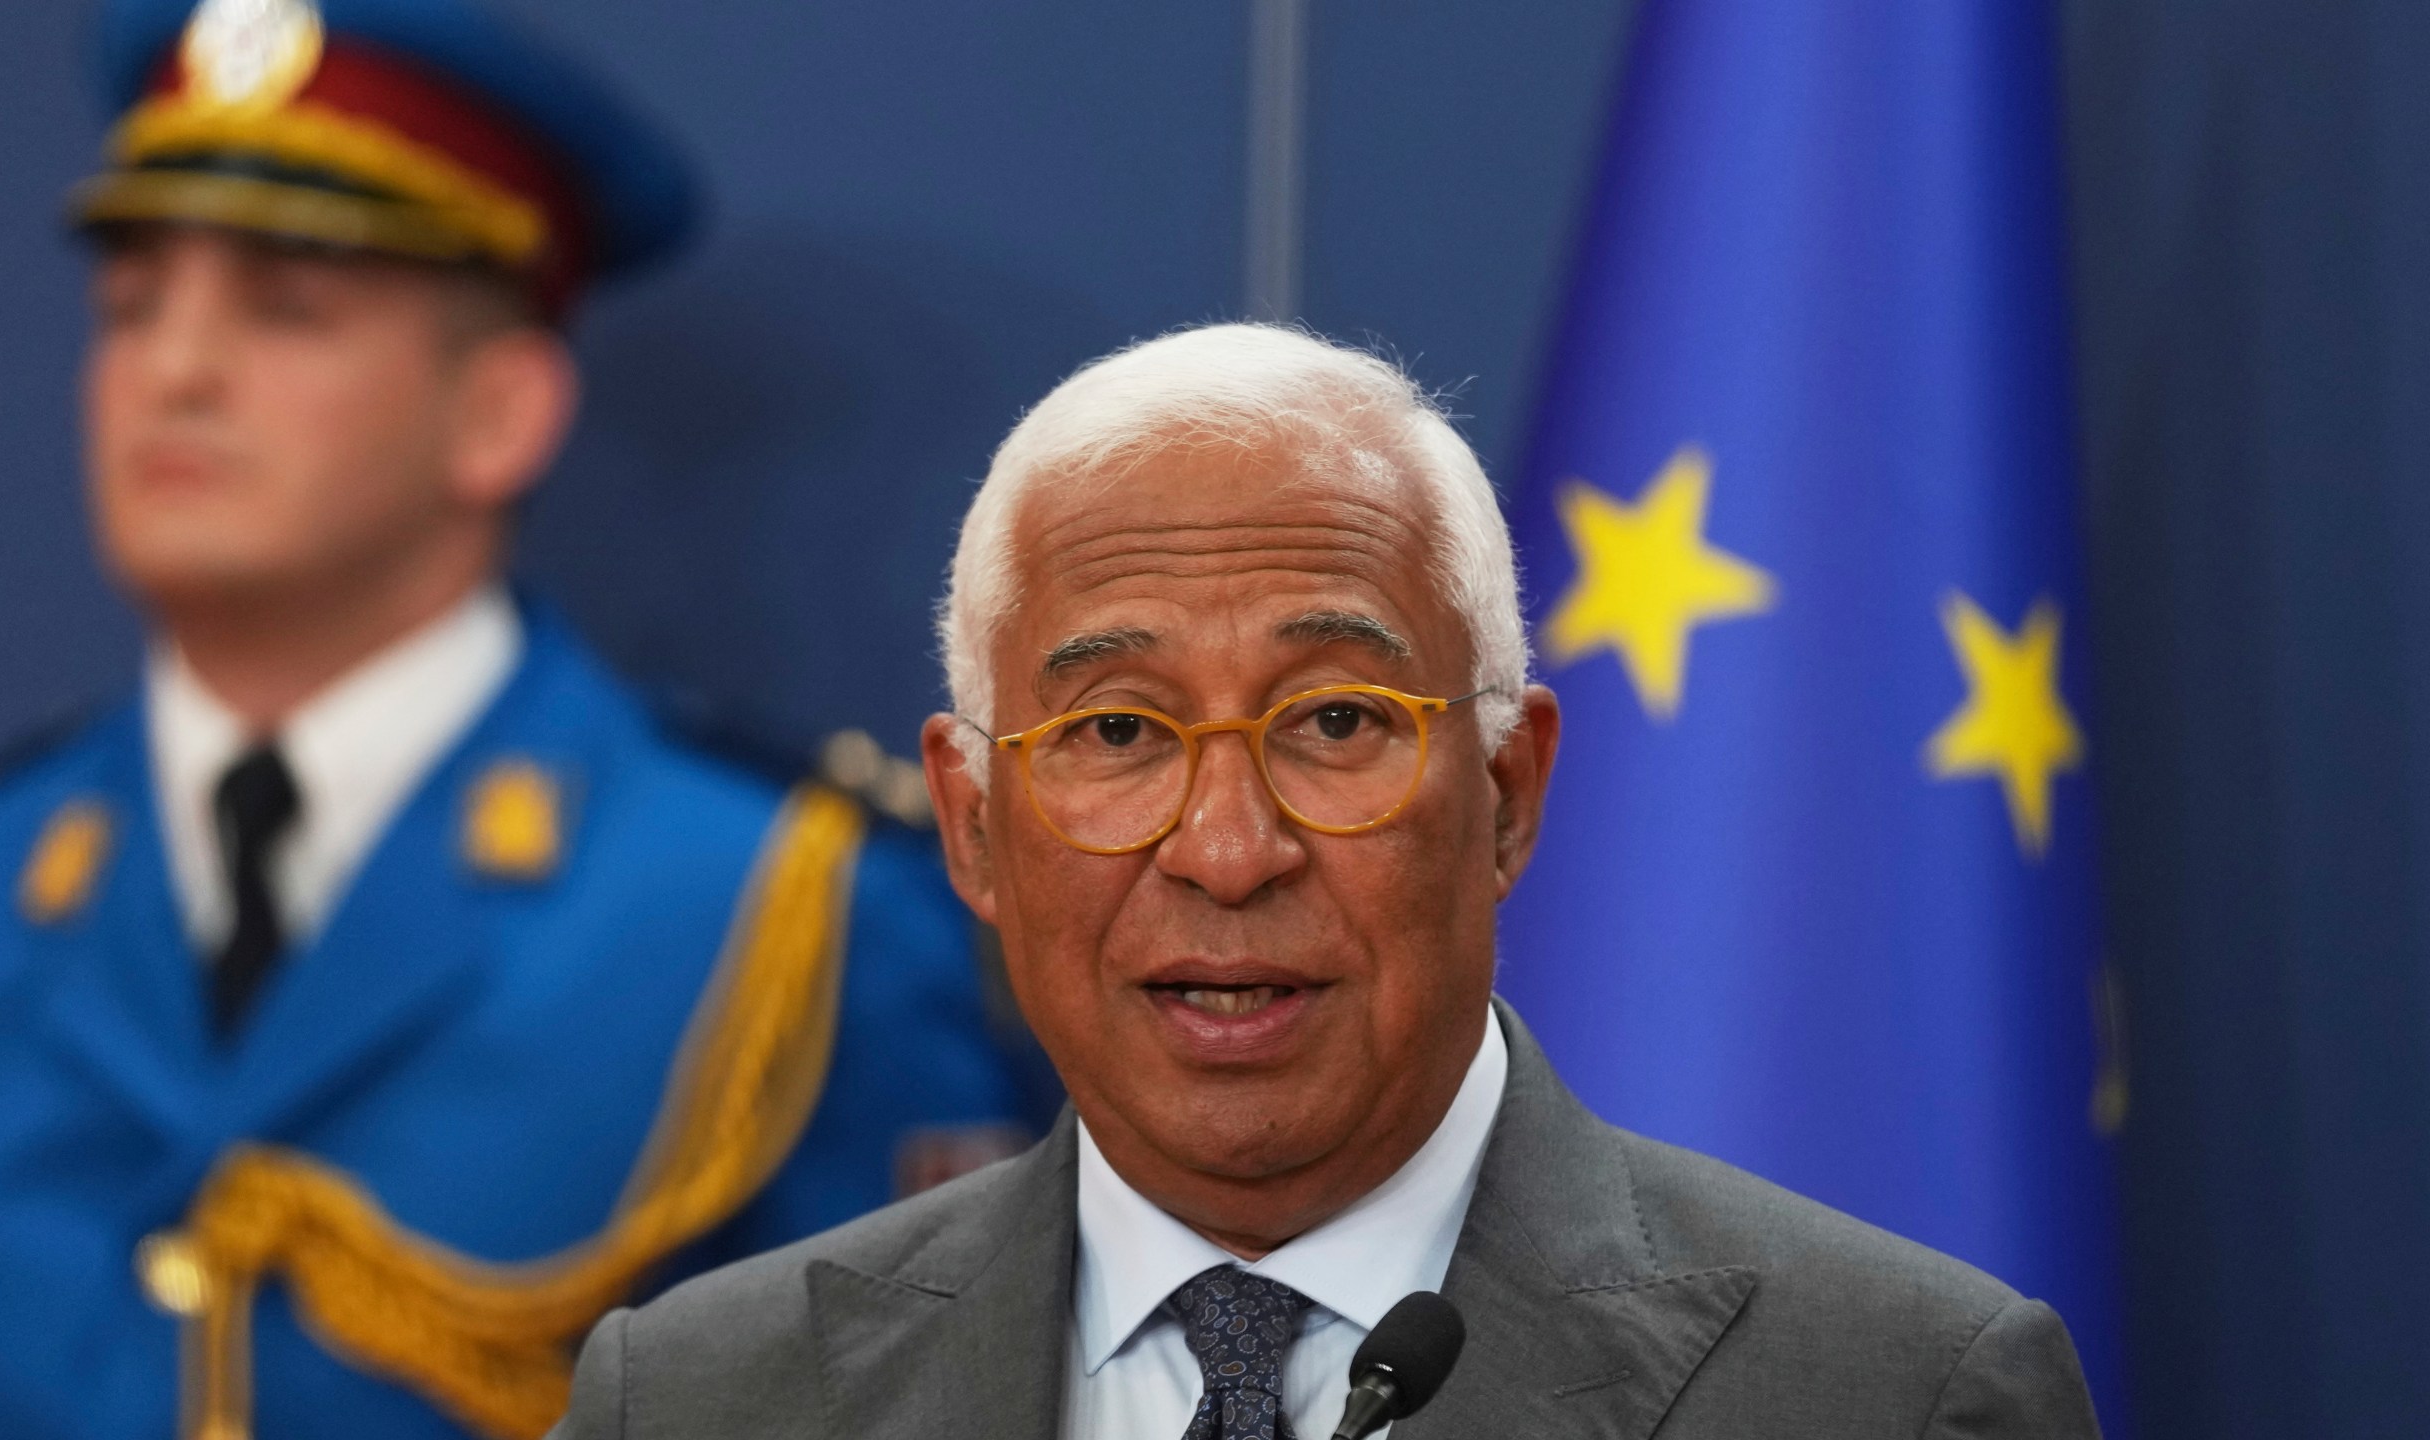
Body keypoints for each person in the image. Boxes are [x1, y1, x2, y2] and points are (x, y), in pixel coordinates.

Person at [548, 324, 2105, 1439]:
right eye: (1116, 731)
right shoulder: (691, 1401)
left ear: (1508, 792)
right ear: (970, 828)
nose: (1228, 850)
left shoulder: (1899, 1397)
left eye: (1338, 721)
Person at [0, 1, 1037, 1437]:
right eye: (132, 305)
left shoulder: (779, 911)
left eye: (286, 306)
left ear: (500, 408)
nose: (176, 370)